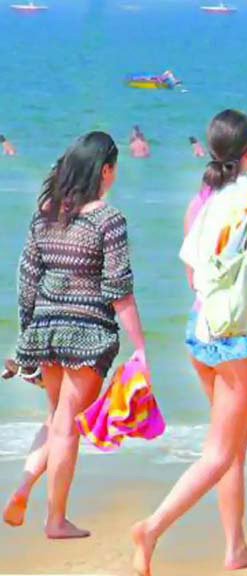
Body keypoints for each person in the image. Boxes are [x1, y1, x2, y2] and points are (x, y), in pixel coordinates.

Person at [132, 110, 247, 575]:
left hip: (200, 330)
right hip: (238, 338)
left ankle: (236, 548)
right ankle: (151, 528)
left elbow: (193, 278)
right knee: (221, 451)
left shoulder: (199, 204)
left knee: (236, 438)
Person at [2, 132, 145, 538]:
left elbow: (27, 280)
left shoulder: (45, 214)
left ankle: (24, 488)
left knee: (56, 418)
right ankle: (55, 519)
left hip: (45, 329)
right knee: (67, 424)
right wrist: (141, 348)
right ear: (106, 170)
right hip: (88, 335)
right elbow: (119, 290)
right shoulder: (108, 219)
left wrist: (27, 340)